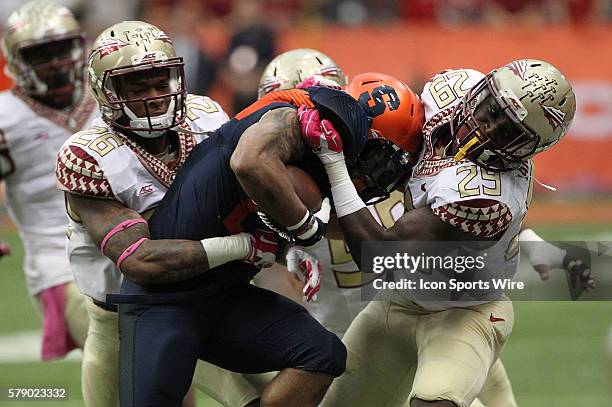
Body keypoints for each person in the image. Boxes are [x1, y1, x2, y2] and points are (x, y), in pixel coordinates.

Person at [307, 60, 587, 407]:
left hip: (464, 312)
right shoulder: (452, 90)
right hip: (400, 299)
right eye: (492, 108)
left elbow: (377, 253)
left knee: (434, 402)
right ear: (480, 90)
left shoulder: (487, 195)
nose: (487, 125)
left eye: (508, 130)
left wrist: (334, 165)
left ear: (527, 150)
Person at [112, 82, 375, 406]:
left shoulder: (292, 161)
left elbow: (268, 220)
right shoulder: (270, 133)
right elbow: (249, 164)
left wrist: (290, 249)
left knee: (323, 353)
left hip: (226, 298)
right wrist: (301, 230)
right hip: (164, 302)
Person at [55, 20, 247, 407]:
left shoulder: (207, 117)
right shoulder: (89, 156)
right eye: (138, 87)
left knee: (281, 385)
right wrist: (247, 245)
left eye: (162, 83)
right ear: (106, 92)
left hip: (210, 301)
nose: (155, 97)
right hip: (124, 322)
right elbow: (140, 261)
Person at [0, 0, 94, 362]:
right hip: (58, 262)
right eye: (42, 54)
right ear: (17, 59)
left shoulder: (112, 96)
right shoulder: (6, 117)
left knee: (167, 364)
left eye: (61, 49)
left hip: (130, 246)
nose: (56, 62)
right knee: (130, 352)